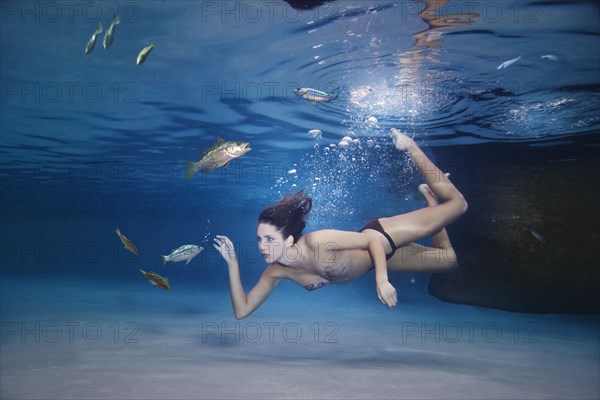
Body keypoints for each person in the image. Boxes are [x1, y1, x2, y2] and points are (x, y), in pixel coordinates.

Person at [214, 129, 468, 319]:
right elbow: (242, 311)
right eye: (259, 239)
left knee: (458, 205)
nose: (262, 246)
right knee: (448, 261)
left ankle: (411, 147)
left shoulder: (317, 242)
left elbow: (371, 241)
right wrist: (233, 264)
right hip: (375, 260)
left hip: (382, 236)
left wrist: (382, 280)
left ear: (289, 240)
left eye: (269, 239)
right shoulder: (277, 272)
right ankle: (431, 206)